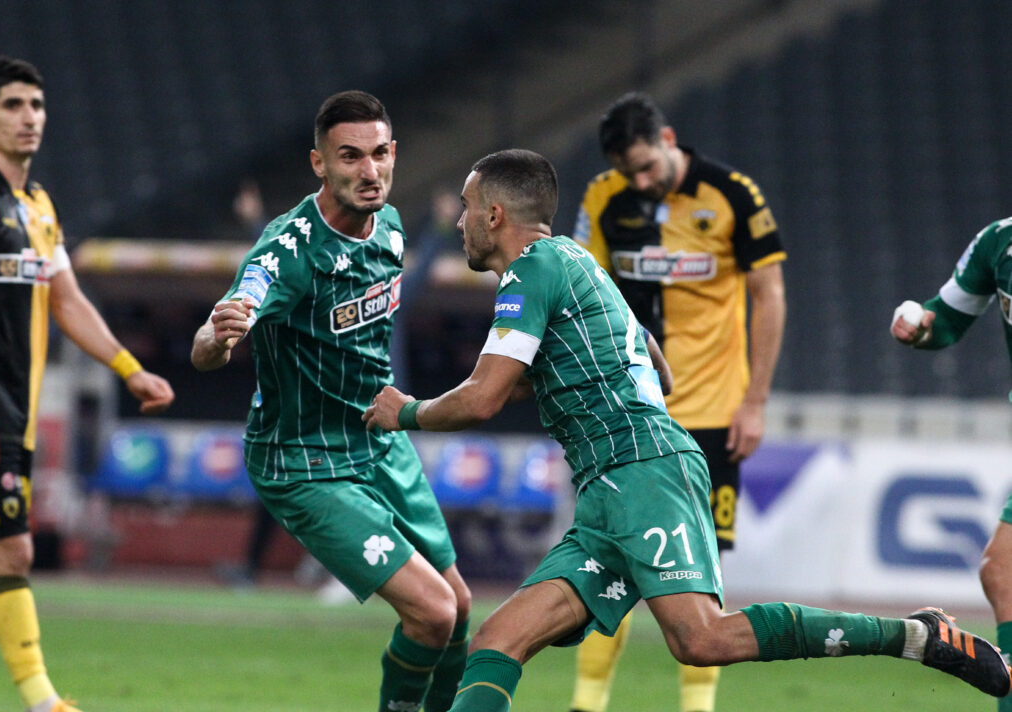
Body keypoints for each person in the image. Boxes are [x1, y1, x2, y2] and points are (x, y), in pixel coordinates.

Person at [362, 148, 1011, 712]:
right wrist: (562, 378)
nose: (459, 220)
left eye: (467, 207)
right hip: (610, 490)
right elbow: (656, 362)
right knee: (498, 640)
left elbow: (481, 399)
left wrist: (405, 411)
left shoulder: (532, 270)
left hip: (642, 472)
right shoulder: (579, 265)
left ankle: (912, 636)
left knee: (701, 637)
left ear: (495, 215)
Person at [191, 90, 472, 712]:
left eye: (379, 154)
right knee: (432, 612)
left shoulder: (391, 226)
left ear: (393, 153)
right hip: (305, 460)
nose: (369, 171)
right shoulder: (285, 251)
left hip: (378, 439)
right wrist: (217, 335)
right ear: (319, 162)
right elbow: (216, 335)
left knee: (459, 607)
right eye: (350, 157)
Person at [0, 57, 175, 712]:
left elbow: (67, 299)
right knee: (12, 549)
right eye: (13, 105)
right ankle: (43, 702)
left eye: (37, 105)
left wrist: (130, 369)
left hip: (13, 410)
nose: (29, 118)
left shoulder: (40, 208)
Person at [569, 90, 786, 712]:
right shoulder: (603, 197)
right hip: (630, 414)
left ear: (667, 140)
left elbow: (769, 294)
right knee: (608, 564)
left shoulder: (732, 194)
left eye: (645, 166)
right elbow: (581, 287)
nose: (639, 181)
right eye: (627, 171)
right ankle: (586, 704)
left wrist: (755, 401)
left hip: (714, 415)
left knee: (702, 574)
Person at [890, 215, 1012, 712]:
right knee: (1003, 572)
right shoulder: (999, 243)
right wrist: (921, 326)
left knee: (1004, 570)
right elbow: (947, 319)